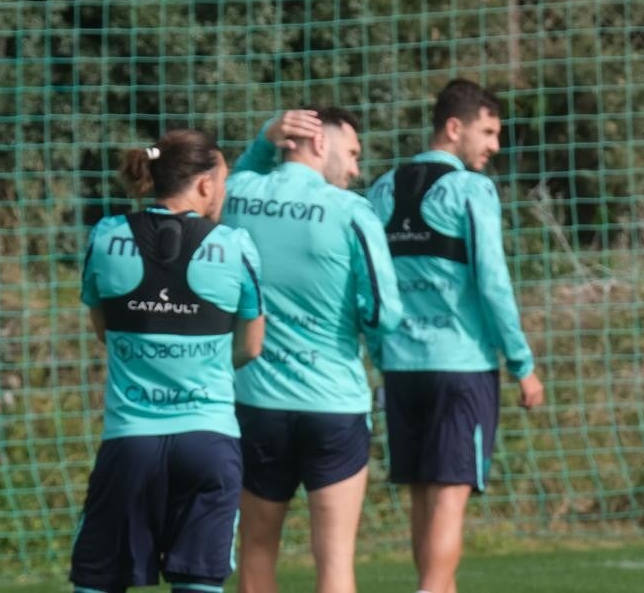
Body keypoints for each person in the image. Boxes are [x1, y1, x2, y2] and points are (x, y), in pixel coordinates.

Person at [367, 79, 545, 593]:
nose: (494, 145)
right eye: (487, 132)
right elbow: (492, 282)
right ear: (454, 127)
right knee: (450, 494)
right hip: (460, 367)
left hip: (400, 368)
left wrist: (381, 351)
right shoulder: (470, 189)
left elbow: (372, 283)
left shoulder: (382, 188)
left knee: (423, 493)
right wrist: (522, 363)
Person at [71, 130, 265, 593]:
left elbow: (106, 331)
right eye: (223, 180)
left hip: (130, 442)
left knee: (97, 579)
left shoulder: (104, 237)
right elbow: (251, 346)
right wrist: (206, 363)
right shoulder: (236, 246)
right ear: (203, 184)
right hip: (209, 439)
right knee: (198, 582)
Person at [222, 107, 403, 593]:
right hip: (332, 407)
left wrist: (264, 140)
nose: (356, 170)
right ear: (320, 144)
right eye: (353, 154)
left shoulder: (238, 194)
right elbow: (384, 313)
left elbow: (229, 181)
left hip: (256, 403)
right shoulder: (351, 211)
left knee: (256, 551)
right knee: (336, 563)